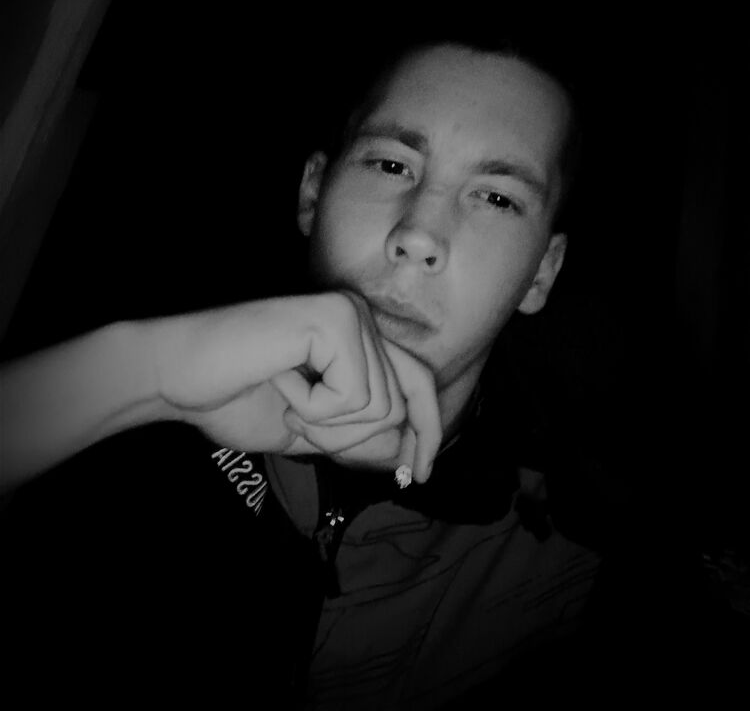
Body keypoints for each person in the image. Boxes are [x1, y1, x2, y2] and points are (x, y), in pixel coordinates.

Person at [1, 39, 729, 708]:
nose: (419, 235)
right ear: (312, 193)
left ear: (542, 272)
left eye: (497, 198)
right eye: (392, 165)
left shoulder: (580, 553)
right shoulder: (126, 392)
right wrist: (145, 378)